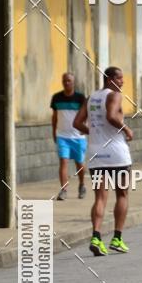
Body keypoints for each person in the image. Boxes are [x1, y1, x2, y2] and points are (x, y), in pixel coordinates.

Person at [73, 66, 133, 254]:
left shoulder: (91, 98)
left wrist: (92, 133)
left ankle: (96, 237)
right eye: (120, 78)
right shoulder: (115, 95)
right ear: (109, 80)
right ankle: (117, 238)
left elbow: (77, 123)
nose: (123, 82)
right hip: (117, 154)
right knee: (122, 194)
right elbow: (112, 116)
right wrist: (126, 129)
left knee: (100, 197)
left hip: (96, 153)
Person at [50, 72, 86, 200]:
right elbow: (54, 117)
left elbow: (85, 114)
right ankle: (64, 190)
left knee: (79, 163)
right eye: (64, 80)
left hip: (78, 137)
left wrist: (84, 128)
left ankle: (82, 185)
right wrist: (54, 131)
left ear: (73, 82)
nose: (66, 83)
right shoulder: (56, 98)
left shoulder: (80, 98)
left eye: (69, 81)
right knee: (63, 161)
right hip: (62, 136)